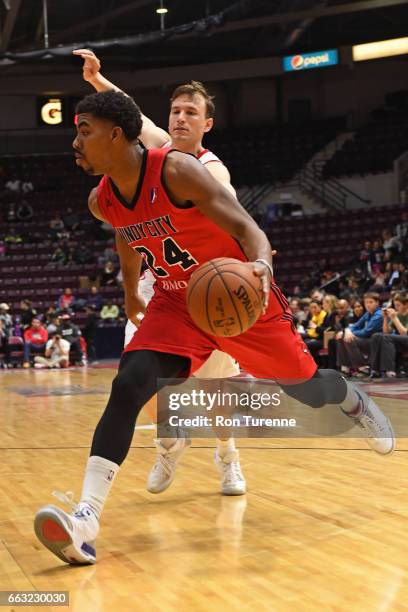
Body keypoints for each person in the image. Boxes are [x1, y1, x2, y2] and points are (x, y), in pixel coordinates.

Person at [34, 91, 395, 566]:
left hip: (239, 299)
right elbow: (126, 228)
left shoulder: (176, 170)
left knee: (309, 390)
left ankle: (352, 399)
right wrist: (129, 290)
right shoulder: (102, 199)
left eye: (84, 131)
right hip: (176, 304)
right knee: (129, 384)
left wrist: (262, 268)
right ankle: (85, 520)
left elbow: (249, 229)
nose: (75, 142)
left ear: (117, 134)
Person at [74, 48, 247, 494]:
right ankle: (170, 442)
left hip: (207, 293)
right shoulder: (158, 151)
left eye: (192, 112)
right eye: (175, 111)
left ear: (207, 124)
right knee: (137, 383)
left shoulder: (212, 171)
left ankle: (227, 456)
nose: (180, 118)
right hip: (158, 291)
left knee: (217, 392)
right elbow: (131, 112)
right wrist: (98, 80)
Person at [336, 292, 383, 378]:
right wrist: (346, 330)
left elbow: (366, 332)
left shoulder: (379, 315)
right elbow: (356, 325)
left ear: (377, 303)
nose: (368, 305)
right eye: (366, 302)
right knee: (341, 337)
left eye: (371, 302)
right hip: (367, 340)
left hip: (376, 342)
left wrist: (349, 332)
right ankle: (345, 368)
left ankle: (363, 368)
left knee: (350, 339)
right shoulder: (368, 313)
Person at [370, 293, 408, 379]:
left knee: (387, 338)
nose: (396, 308)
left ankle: (390, 371)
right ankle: (375, 370)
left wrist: (394, 318)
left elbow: (404, 333)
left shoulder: (397, 316)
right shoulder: (398, 314)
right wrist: (385, 318)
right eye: (395, 305)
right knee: (377, 336)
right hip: (400, 340)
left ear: (406, 304)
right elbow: (386, 332)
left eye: (398, 305)